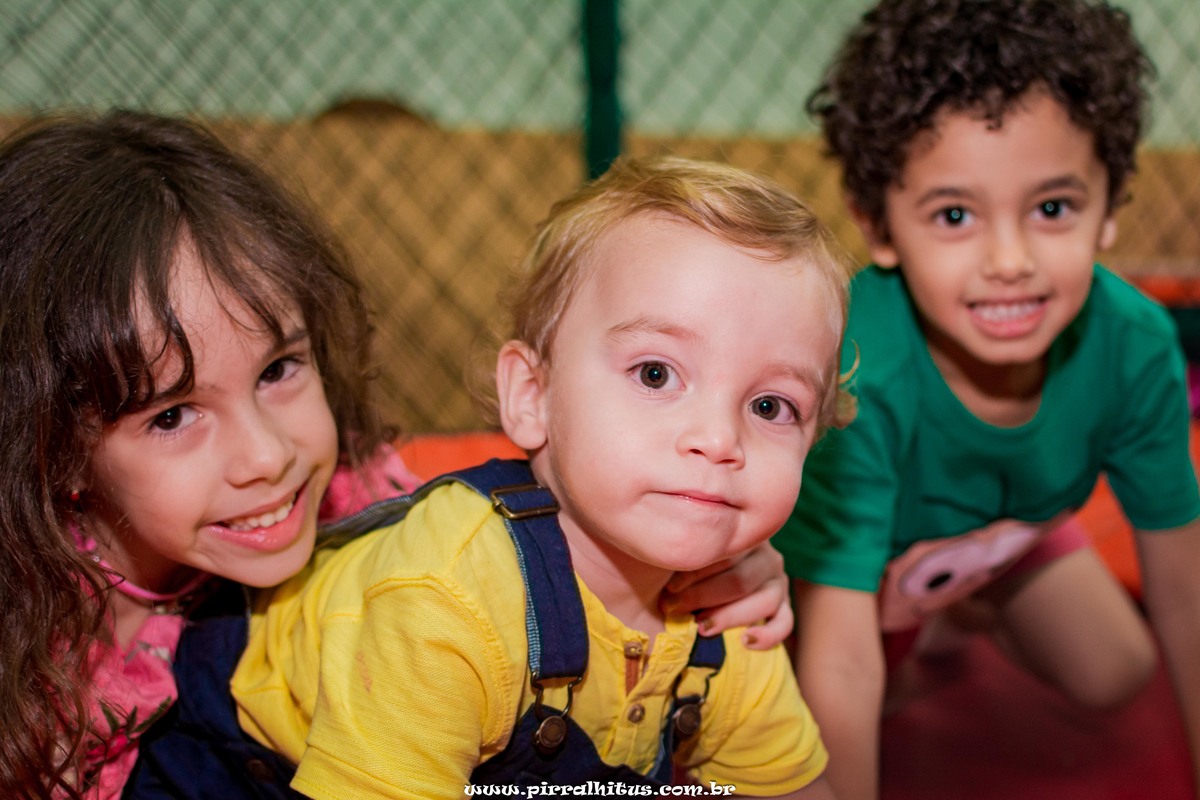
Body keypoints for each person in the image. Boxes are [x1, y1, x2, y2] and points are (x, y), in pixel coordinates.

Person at [0, 111, 799, 800]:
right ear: (57, 448)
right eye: (174, 415)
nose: (267, 455)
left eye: (279, 370)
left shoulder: (365, 498)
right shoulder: (42, 653)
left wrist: (716, 559)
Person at [226, 155, 855, 798]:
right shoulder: (449, 593)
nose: (720, 439)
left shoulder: (732, 607)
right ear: (533, 396)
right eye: (656, 374)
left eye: (770, 406)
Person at [772, 1, 1200, 798]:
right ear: (880, 226)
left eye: (1052, 208)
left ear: (1110, 204)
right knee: (796, 721)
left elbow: (1183, 586)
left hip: (996, 532)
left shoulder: (1134, 347)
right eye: (956, 215)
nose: (1010, 260)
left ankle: (965, 601)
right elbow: (842, 653)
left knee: (1118, 669)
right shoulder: (862, 369)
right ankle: (926, 616)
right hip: (839, 574)